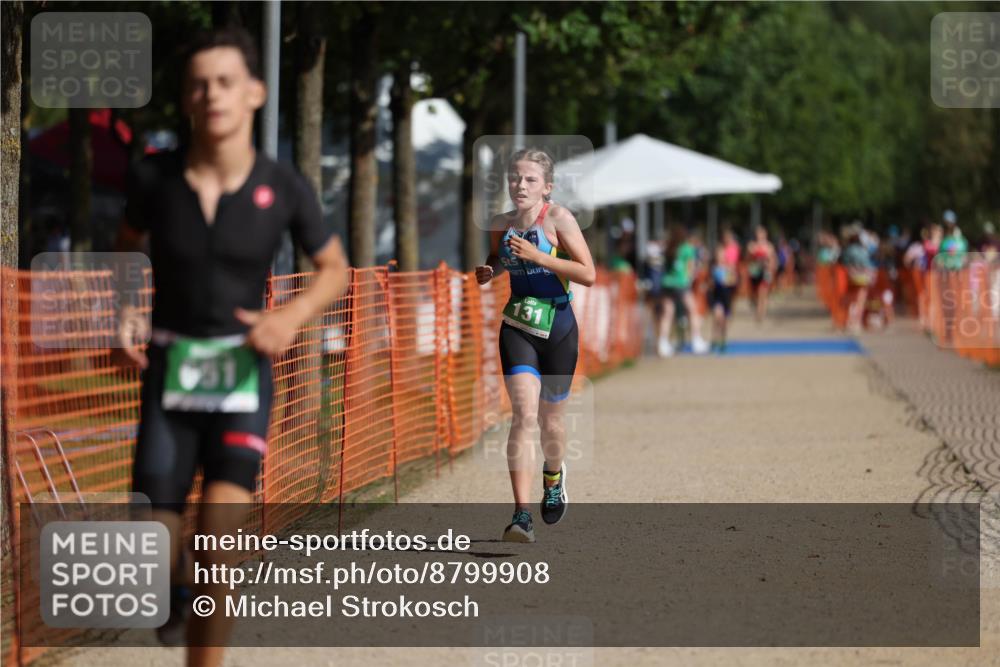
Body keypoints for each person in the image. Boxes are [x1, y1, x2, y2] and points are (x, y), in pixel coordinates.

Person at [114, 27, 348, 665]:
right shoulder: (154, 179)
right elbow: (127, 246)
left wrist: (291, 317)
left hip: (242, 375)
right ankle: (170, 589)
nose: (211, 94)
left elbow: (335, 269)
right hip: (170, 374)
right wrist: (129, 307)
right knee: (155, 548)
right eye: (199, 83)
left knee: (219, 543)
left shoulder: (284, 186)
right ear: (188, 97)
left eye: (224, 82)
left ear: (254, 92)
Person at [475, 148, 595, 543]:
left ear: (547, 187)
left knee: (551, 423)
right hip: (518, 327)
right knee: (524, 416)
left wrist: (540, 259)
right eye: (514, 178)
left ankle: (554, 478)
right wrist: (490, 270)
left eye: (528, 179)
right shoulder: (500, 223)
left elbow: (588, 273)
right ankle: (520, 515)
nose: (519, 185)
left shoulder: (559, 219)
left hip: (559, 327)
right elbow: (497, 256)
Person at [657, 224, 709, 356]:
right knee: (692, 311)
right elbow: (690, 269)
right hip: (681, 284)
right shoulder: (687, 248)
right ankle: (696, 340)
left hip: (667, 283)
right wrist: (689, 280)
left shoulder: (668, 247)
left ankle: (663, 343)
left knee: (667, 313)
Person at [709, 229, 740, 352]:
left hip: (726, 296)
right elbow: (710, 283)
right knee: (717, 316)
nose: (719, 257)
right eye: (717, 255)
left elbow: (733, 282)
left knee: (724, 321)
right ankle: (714, 339)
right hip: (717, 296)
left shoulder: (728, 269)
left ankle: (723, 340)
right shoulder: (714, 268)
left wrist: (728, 280)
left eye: (721, 255)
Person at [840, 228, 875, 334]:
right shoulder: (863, 249)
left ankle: (850, 321)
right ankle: (857, 322)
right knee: (861, 301)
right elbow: (868, 263)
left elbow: (844, 263)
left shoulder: (848, 250)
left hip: (853, 276)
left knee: (852, 300)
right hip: (865, 276)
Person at [746, 225, 778, 323]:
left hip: (765, 272)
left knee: (763, 293)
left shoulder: (769, 246)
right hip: (754, 272)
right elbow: (748, 258)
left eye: (762, 234)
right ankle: (756, 305)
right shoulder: (752, 245)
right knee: (754, 294)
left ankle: (760, 314)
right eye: (758, 234)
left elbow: (773, 260)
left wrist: (771, 266)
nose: (760, 236)